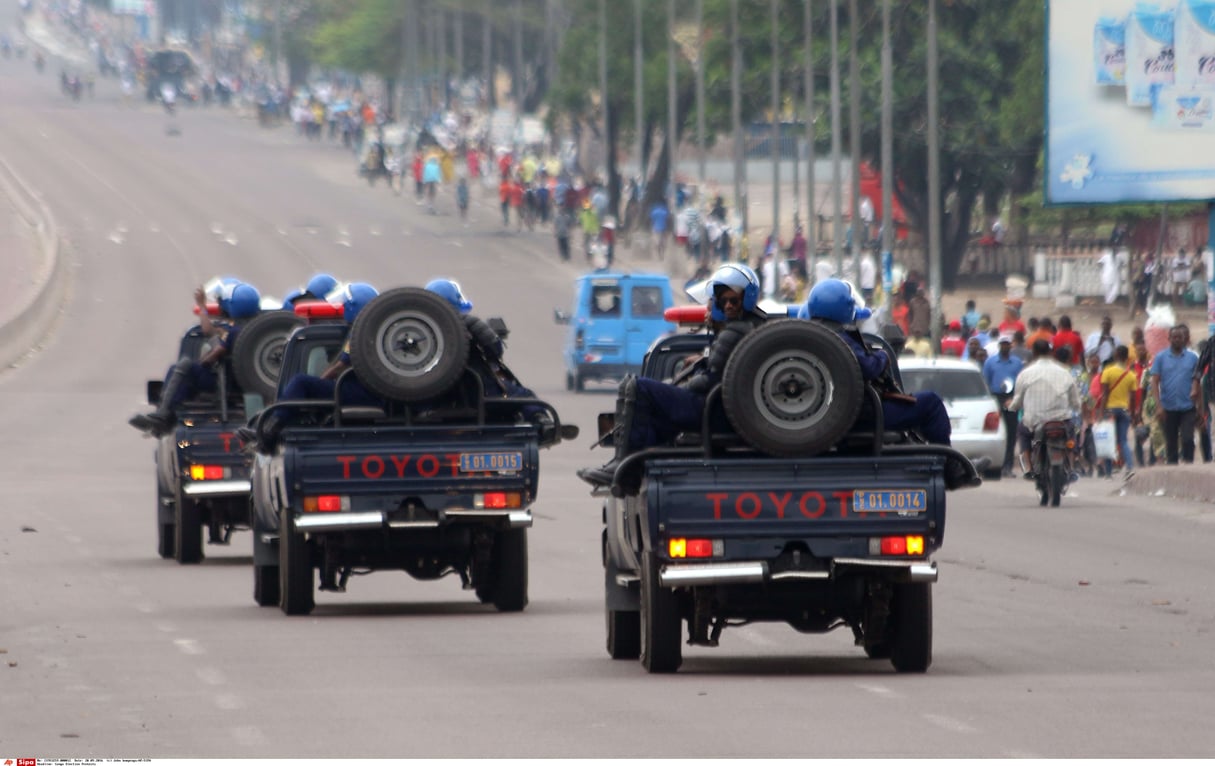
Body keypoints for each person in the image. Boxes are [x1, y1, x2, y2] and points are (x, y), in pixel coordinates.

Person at [577, 264, 769, 488]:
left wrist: (682, 387)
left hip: (712, 410)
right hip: (724, 412)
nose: (726, 306)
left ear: (746, 299)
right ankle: (629, 466)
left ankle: (625, 469)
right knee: (652, 406)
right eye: (721, 300)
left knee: (635, 386)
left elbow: (712, 381)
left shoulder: (733, 332)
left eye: (733, 300)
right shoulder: (754, 327)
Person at [801, 279, 982, 489]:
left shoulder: (804, 340)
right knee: (930, 403)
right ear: (843, 308)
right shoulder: (840, 339)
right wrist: (882, 355)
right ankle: (951, 469)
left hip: (822, 418)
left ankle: (931, 456)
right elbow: (869, 368)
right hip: (861, 414)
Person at [129, 280, 262, 437]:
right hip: (248, 385)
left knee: (184, 366)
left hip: (227, 383)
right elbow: (210, 330)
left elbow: (212, 357)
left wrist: (205, 359)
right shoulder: (261, 330)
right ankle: (164, 416)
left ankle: (164, 415)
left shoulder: (234, 332)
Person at [1007, 339, 1082, 480]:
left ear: (1033, 353)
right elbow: (1076, 401)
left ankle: (1028, 468)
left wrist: (1011, 407)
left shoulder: (1026, 374)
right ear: (1050, 352)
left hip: (1033, 422)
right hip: (1061, 420)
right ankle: (1071, 467)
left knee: (1023, 434)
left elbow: (1017, 401)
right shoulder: (1064, 372)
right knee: (1071, 436)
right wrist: (1076, 407)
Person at [1149, 324, 1201, 464]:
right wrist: (1158, 406)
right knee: (1171, 442)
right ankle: (1173, 470)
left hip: (1187, 407)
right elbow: (1154, 382)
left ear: (1184, 339)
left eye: (1180, 337)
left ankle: (1188, 467)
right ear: (1169, 338)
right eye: (1174, 337)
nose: (1177, 340)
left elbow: (1197, 382)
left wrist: (1200, 409)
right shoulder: (1160, 358)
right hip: (1168, 407)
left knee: (1188, 439)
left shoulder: (1192, 358)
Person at [983, 335, 1024, 476]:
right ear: (999, 346)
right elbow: (986, 383)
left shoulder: (1017, 363)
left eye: (1007, 344)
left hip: (1011, 398)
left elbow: (1021, 382)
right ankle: (994, 465)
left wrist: (1014, 399)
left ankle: (1008, 466)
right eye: (1003, 344)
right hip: (996, 398)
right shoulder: (990, 362)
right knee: (995, 432)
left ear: (1011, 346)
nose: (1005, 346)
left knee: (1011, 433)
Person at [1097, 345, 1139, 477]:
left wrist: (1100, 414)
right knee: (1123, 441)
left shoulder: (1107, 372)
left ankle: (1108, 473)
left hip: (1109, 410)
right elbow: (1132, 398)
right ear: (1127, 358)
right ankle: (1130, 467)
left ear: (1115, 356)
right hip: (1124, 409)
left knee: (1109, 441)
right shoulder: (1131, 375)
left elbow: (1104, 395)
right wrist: (1132, 413)